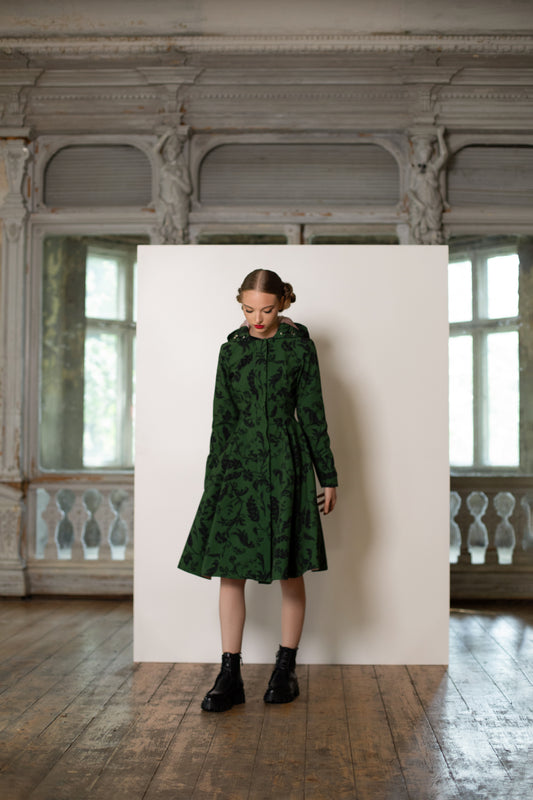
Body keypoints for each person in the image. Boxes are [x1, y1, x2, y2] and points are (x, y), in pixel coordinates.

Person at [178, 268, 338, 711]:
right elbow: (222, 420)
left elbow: (313, 414)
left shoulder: (299, 349)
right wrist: (213, 481)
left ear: (283, 303)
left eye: (266, 309)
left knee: (291, 569)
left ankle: (285, 671)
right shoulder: (230, 351)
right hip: (238, 466)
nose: (258, 319)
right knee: (230, 571)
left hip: (287, 465)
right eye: (249, 310)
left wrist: (328, 476)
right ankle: (229, 675)